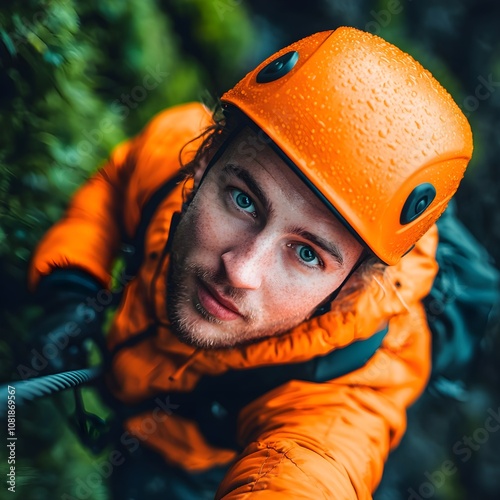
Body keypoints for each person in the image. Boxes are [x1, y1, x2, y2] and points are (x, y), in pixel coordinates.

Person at [28, 27, 474, 499]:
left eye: (307, 254)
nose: (241, 270)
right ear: (203, 160)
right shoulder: (171, 155)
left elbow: (315, 470)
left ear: (350, 287)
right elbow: (118, 184)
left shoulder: (348, 390)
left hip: (197, 467)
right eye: (244, 201)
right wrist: (73, 280)